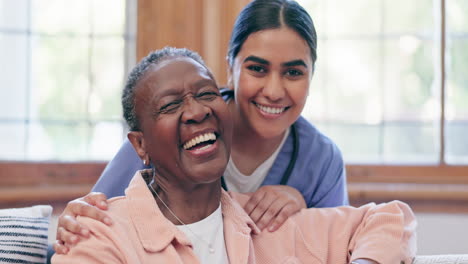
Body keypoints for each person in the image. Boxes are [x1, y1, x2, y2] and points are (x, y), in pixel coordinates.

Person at [52, 47, 416, 264]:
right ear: (140, 146)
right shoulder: (97, 238)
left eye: (207, 93)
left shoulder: (270, 223)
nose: (196, 111)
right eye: (171, 104)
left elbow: (390, 220)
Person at [54, 0, 348, 253]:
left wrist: (303, 210)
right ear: (231, 69)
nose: (273, 91)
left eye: (293, 72)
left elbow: (340, 244)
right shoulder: (172, 128)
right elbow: (93, 217)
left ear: (312, 76)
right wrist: (76, 217)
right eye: (257, 68)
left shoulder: (322, 159)